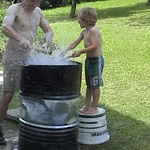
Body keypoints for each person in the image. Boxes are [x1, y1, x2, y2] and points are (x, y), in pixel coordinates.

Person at [0, 0, 53, 145]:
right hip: (13, 54)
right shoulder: (14, 9)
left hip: (30, 55)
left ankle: (31, 127)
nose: (36, 4)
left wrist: (48, 35)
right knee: (9, 93)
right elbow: (5, 27)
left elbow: (48, 29)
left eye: (38, 1)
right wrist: (20, 38)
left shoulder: (38, 12)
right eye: (33, 1)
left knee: (31, 93)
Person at [62, 7, 104, 115]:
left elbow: (94, 46)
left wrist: (81, 51)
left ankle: (94, 107)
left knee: (95, 84)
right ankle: (87, 105)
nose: (77, 20)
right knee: (89, 84)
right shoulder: (84, 32)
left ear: (86, 19)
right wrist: (65, 50)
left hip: (96, 61)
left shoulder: (94, 30)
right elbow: (74, 43)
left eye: (79, 18)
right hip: (89, 61)